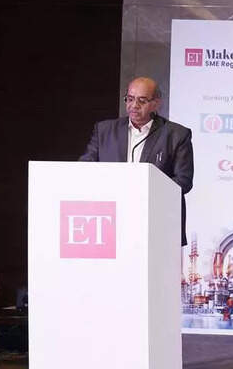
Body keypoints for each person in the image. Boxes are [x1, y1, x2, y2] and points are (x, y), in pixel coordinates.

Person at [80, 77, 194, 245]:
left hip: (157, 222)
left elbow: (183, 181)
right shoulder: (104, 131)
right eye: (130, 99)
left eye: (142, 100)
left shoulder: (176, 135)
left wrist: (144, 192)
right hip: (111, 221)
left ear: (156, 103)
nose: (134, 105)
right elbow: (85, 167)